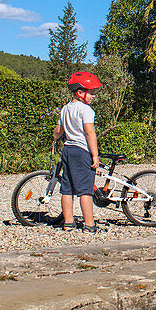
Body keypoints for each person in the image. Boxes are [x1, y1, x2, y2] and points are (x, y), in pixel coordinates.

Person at [53, 71, 102, 233]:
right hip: (82, 151)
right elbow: (90, 133)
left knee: (67, 189)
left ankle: (68, 223)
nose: (93, 96)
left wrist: (56, 139)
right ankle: (89, 224)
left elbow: (58, 131)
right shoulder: (86, 110)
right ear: (80, 92)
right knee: (85, 190)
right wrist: (95, 154)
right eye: (91, 92)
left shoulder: (65, 109)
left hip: (68, 150)